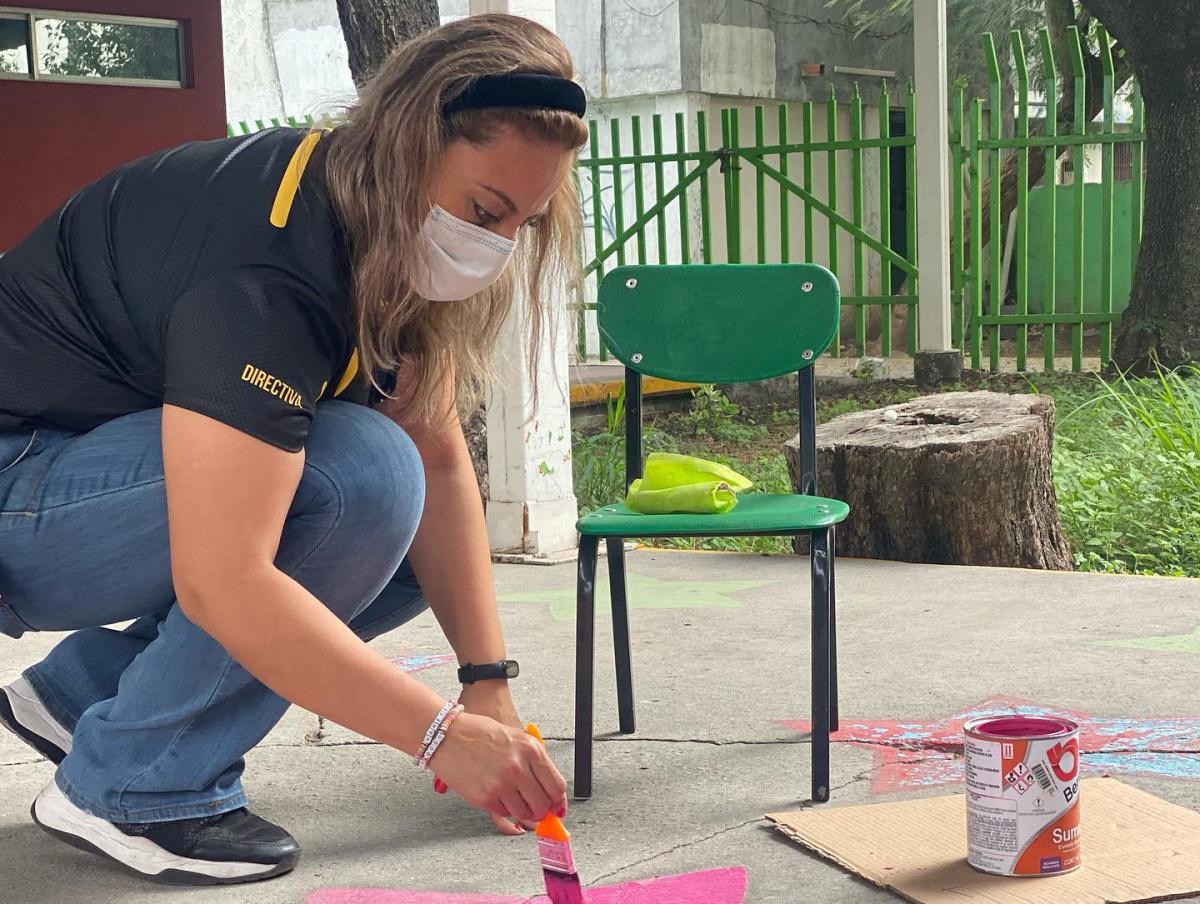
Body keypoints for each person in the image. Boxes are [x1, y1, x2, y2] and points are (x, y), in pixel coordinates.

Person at [0, 13, 587, 886]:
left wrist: (486, 681)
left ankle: (90, 698)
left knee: (409, 525)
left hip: (84, 474)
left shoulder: (368, 219)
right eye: (483, 212)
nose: (492, 249)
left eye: (522, 226)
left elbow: (436, 454)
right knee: (358, 480)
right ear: (407, 146)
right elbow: (224, 578)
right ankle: (134, 786)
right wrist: (441, 737)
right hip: (19, 492)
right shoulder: (271, 261)